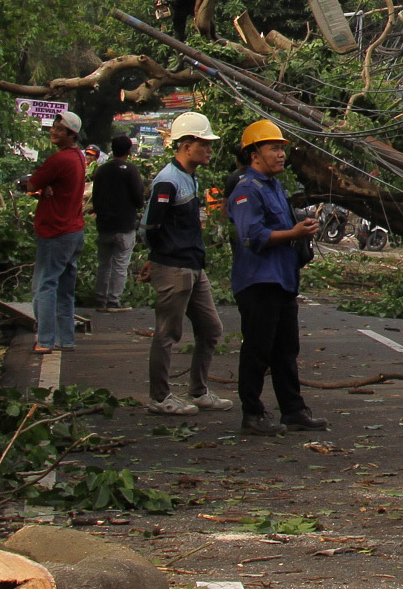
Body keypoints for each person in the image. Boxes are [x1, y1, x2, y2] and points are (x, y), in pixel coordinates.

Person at [227, 119, 326, 436]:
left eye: (282, 148)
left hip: (282, 280)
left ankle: (293, 410)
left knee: (286, 350)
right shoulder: (247, 191)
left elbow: (284, 230)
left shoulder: (274, 187)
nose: (281, 154)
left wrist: (301, 232)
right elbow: (252, 236)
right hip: (259, 282)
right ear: (254, 154)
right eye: (274, 148)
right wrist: (293, 234)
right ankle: (252, 415)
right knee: (257, 351)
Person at [143, 113, 232, 417]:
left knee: (211, 328)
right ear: (186, 145)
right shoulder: (167, 181)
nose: (209, 149)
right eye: (204, 143)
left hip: (194, 265)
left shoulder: (189, 177)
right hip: (175, 267)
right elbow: (150, 226)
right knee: (167, 332)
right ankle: (160, 397)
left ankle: (198, 391)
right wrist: (158, 257)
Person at [21, 112, 89, 354]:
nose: (53, 131)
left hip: (55, 231)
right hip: (73, 230)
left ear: (71, 135)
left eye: (60, 129)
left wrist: (40, 186)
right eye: (54, 127)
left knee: (44, 286)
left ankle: (46, 340)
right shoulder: (78, 157)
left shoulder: (59, 160)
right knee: (64, 290)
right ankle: (66, 339)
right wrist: (47, 186)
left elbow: (30, 184)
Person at [90, 135, 145, 311]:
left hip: (105, 225)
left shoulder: (101, 170)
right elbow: (139, 199)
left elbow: (95, 198)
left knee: (104, 264)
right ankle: (113, 300)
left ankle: (100, 300)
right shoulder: (131, 170)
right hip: (124, 225)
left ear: (112, 149)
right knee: (120, 265)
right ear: (129, 151)